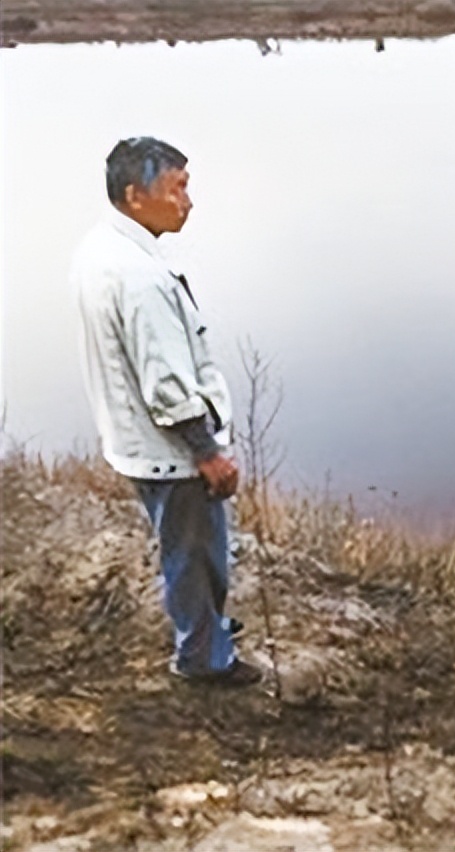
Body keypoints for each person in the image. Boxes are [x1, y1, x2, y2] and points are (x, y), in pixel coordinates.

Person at [71, 136, 262, 687]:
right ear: (136, 195)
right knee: (196, 555)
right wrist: (207, 453)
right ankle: (204, 659)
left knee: (185, 548)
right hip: (171, 453)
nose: (188, 201)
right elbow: (167, 385)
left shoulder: (101, 249)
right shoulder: (140, 279)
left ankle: (203, 630)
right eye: (177, 188)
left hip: (135, 441)